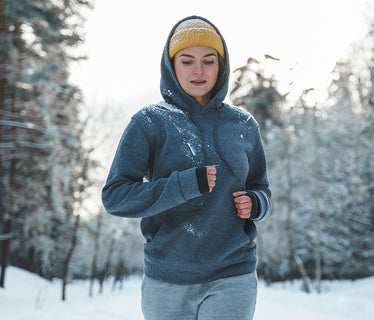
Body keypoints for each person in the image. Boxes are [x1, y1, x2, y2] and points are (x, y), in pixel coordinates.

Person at [102, 15, 272, 320]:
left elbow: (262, 189)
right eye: (186, 60)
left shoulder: (244, 125)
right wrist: (183, 185)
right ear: (171, 65)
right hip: (168, 277)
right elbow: (116, 196)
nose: (198, 70)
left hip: (233, 272)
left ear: (222, 66)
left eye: (209, 60)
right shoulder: (149, 122)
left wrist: (256, 203)